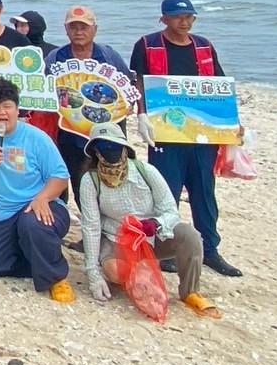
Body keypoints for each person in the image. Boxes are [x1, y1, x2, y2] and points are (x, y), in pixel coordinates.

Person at [130, 0, 242, 278]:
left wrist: (234, 123)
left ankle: (210, 249)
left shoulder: (203, 46)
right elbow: (139, 82)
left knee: (204, 190)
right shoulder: (147, 44)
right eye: (178, 17)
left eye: (189, 16)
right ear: (164, 18)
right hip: (165, 132)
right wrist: (141, 114)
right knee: (166, 190)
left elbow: (219, 84)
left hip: (201, 133)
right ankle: (166, 248)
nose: (184, 21)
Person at [77, 122, 221, 318]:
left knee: (190, 236)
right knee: (114, 272)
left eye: (114, 145)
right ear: (95, 151)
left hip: (152, 236)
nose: (109, 150)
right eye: (103, 145)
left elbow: (170, 210)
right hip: (116, 238)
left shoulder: (146, 171)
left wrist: (156, 224)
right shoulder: (90, 181)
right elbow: (91, 226)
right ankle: (137, 274)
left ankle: (190, 292)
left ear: (124, 147)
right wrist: (93, 274)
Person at [0, 77, 75, 303]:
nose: (2, 113)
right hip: (1, 214)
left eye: (7, 106)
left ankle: (56, 278)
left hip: (39, 207)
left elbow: (60, 176)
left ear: (17, 109)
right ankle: (35, 259)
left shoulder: (36, 137)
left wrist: (43, 198)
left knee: (32, 224)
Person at [43, 5, 131, 209]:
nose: (79, 32)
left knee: (112, 180)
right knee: (79, 182)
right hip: (70, 134)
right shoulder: (55, 58)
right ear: (66, 30)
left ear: (95, 29)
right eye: (73, 27)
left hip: (108, 133)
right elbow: (43, 90)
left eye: (84, 27)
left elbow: (128, 85)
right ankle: (87, 224)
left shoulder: (108, 56)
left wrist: (130, 106)